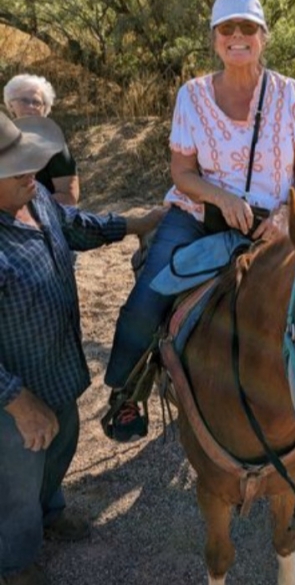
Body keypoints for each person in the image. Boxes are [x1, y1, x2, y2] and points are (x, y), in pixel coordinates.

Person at [104, 0, 295, 443]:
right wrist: (221, 198)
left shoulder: (294, 97)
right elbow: (182, 173)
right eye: (228, 28)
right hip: (199, 214)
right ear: (215, 39)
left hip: (276, 223)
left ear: (263, 37)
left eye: (247, 28)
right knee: (146, 300)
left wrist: (286, 214)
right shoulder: (192, 96)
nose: (237, 36)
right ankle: (125, 393)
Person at [0, 113, 164, 585]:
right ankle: (15, 561)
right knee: (14, 482)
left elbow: (75, 224)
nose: (33, 172)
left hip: (54, 372)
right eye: (17, 167)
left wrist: (137, 223)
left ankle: (49, 513)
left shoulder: (34, 201)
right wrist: (17, 401)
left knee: (58, 448)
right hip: (13, 398)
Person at [4, 74, 80, 206]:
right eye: (24, 100)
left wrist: (27, 210)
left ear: (45, 108)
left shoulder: (53, 144)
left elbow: (69, 196)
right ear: (11, 105)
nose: (31, 106)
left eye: (37, 102)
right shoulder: (3, 140)